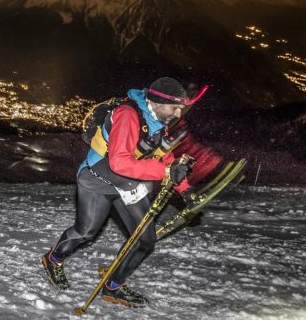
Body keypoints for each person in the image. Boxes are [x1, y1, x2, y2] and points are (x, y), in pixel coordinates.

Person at [42, 77, 219, 308]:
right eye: (174, 107)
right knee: (86, 231)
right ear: (156, 101)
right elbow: (119, 164)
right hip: (99, 179)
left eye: (181, 109)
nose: (178, 114)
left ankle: (113, 287)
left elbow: (163, 155)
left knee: (145, 239)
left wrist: (185, 189)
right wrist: (166, 171)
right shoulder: (128, 115)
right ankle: (53, 259)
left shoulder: (157, 120)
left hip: (128, 184)